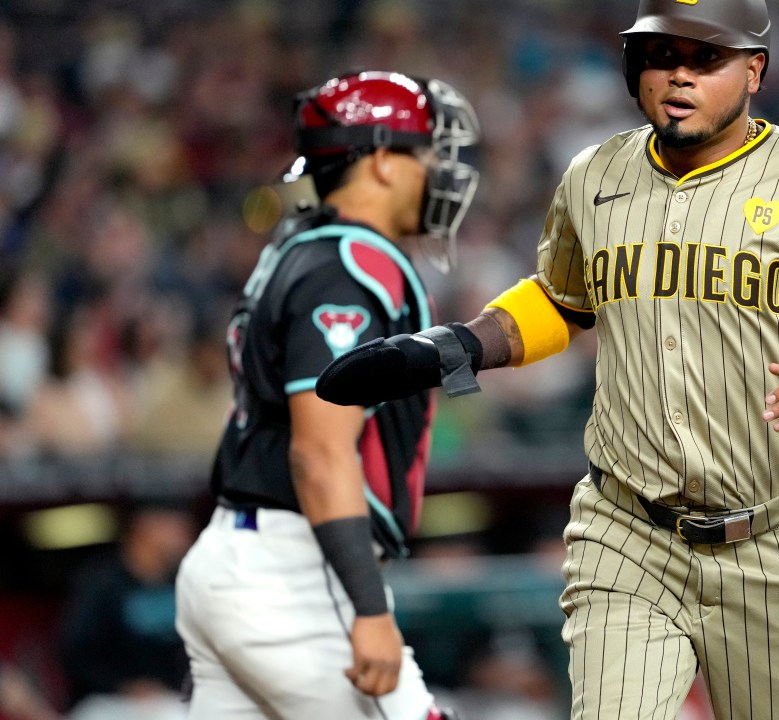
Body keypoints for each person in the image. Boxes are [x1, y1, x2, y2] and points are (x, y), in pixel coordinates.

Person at [318, 0, 779, 720]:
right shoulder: (595, 175)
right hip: (628, 531)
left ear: (754, 70)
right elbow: (563, 300)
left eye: (704, 58)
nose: (678, 76)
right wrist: (454, 347)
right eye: (660, 55)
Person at [174, 71, 479, 720]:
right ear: (381, 162)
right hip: (295, 569)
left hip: (240, 555)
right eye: (424, 152)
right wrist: (370, 609)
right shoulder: (345, 265)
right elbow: (319, 451)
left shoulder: (302, 250)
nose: (437, 171)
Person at [58, 502, 196, 720]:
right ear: (145, 528)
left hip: (171, 698)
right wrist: (124, 686)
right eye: (172, 527)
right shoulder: (103, 581)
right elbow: (75, 651)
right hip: (106, 701)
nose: (182, 536)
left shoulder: (181, 580)